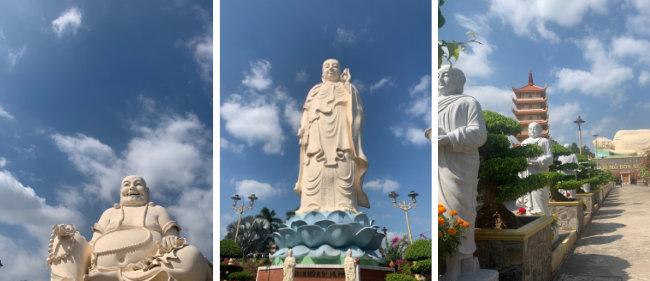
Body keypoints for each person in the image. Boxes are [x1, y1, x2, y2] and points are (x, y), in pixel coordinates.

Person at [48, 175, 211, 281]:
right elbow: (93, 243)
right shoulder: (110, 213)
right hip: (99, 267)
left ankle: (114, 277)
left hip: (149, 268)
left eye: (138, 184)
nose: (132, 188)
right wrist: (70, 238)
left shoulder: (157, 210)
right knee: (63, 237)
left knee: (191, 256)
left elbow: (172, 233)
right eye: (127, 184)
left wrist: (170, 237)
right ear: (120, 192)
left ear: (147, 191)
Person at [294, 58, 369, 213]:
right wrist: (303, 128)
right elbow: (306, 111)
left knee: (343, 165)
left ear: (340, 71)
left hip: (342, 132)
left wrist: (347, 85)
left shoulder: (347, 88)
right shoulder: (315, 90)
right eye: (326, 66)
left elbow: (357, 112)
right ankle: (310, 207)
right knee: (315, 166)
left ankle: (346, 206)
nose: (331, 69)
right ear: (322, 71)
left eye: (335, 66)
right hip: (317, 132)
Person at [438, 65, 487, 280]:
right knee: (441, 213)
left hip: (461, 166)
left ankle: (457, 265)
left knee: (458, 211)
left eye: (446, 75)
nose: (440, 78)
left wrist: (450, 138)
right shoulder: (434, 105)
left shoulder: (468, 102)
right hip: (439, 163)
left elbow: (479, 134)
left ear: (459, 81)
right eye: (438, 75)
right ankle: (460, 264)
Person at [516, 123, 553, 215]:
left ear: (540, 130)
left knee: (539, 192)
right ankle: (529, 211)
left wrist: (538, 160)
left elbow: (550, 157)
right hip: (528, 171)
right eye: (530, 129)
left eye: (534, 128)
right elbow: (521, 157)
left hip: (540, 171)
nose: (532, 131)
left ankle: (542, 213)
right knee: (529, 192)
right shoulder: (524, 142)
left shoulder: (544, 141)